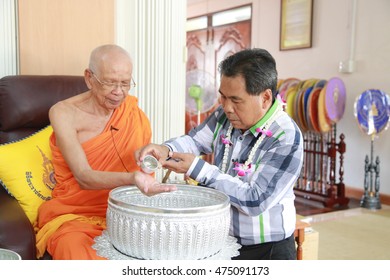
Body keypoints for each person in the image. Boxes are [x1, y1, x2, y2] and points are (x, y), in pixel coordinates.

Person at [136, 48, 304, 260]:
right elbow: (195, 141)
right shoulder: (224, 115)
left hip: (267, 250)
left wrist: (197, 169)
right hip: (220, 240)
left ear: (265, 97)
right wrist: (165, 149)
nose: (226, 107)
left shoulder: (286, 137)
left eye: (236, 100)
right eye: (222, 97)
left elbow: (256, 201)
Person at [35, 44, 175, 260]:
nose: (118, 93)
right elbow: (83, 177)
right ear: (89, 78)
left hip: (128, 210)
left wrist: (148, 156)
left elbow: (145, 165)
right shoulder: (64, 113)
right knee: (76, 251)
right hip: (76, 215)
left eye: (125, 84)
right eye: (110, 83)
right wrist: (133, 177)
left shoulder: (133, 113)